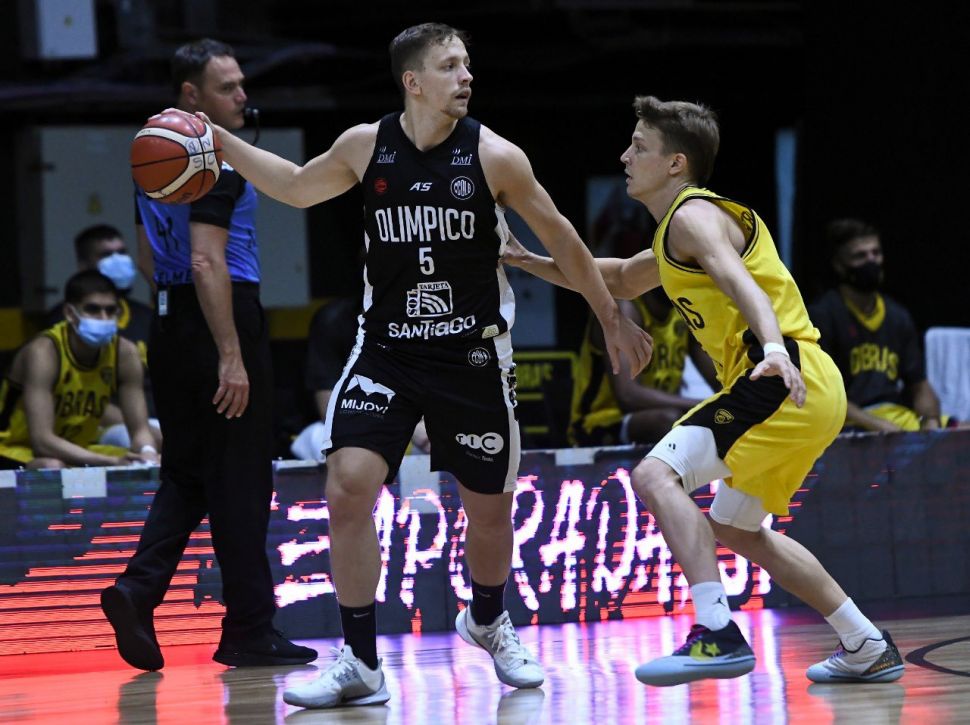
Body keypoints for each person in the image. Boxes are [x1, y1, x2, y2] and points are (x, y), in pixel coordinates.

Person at [203, 22, 651, 709]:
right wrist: (217, 138)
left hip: (471, 355)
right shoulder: (366, 145)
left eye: (467, 65)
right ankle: (360, 661)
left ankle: (489, 617)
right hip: (387, 349)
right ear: (413, 81)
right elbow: (293, 186)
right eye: (450, 66)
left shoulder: (496, 156)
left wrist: (609, 314)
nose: (466, 77)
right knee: (348, 485)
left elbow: (562, 236)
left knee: (489, 510)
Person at [503, 96, 904, 687]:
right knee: (738, 528)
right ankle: (865, 643)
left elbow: (741, 283)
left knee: (654, 476)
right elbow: (616, 278)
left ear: (676, 163)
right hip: (810, 387)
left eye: (639, 146)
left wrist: (772, 349)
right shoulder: (677, 232)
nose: (624, 156)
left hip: (779, 372)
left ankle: (716, 633)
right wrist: (522, 259)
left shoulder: (694, 217)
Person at [100, 38, 316, 672]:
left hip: (170, 320)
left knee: (188, 474)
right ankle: (249, 629)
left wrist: (186, 323)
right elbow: (205, 260)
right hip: (223, 315)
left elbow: (150, 258)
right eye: (228, 87)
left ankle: (138, 589)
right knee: (242, 480)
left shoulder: (149, 152)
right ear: (191, 94)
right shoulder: (214, 158)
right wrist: (230, 353)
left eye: (243, 83)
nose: (243, 95)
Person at [0, 271, 158, 469]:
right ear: (69, 313)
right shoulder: (44, 352)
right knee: (52, 467)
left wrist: (147, 453)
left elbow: (140, 430)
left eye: (110, 310)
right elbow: (41, 441)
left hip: (77, 448)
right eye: (93, 309)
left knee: (155, 453)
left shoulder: (124, 352)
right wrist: (112, 462)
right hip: (15, 448)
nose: (103, 318)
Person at [809, 218, 945, 432]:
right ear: (839, 265)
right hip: (847, 422)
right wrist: (876, 426)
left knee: (959, 430)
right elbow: (820, 394)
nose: (871, 261)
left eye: (876, 253)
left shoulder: (898, 315)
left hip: (895, 418)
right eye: (860, 256)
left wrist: (930, 420)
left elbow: (919, 385)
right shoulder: (823, 314)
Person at [46, 224, 161, 449]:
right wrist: (146, 429)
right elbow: (79, 393)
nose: (117, 260)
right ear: (83, 264)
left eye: (122, 252)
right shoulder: (65, 322)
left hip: (153, 418)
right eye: (106, 255)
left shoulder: (147, 317)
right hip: (103, 423)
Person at [570, 287, 717, 446]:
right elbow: (628, 396)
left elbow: (719, 376)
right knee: (669, 420)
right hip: (601, 423)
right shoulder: (623, 310)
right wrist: (703, 405)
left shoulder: (683, 311)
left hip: (668, 412)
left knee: (719, 417)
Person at [290, 294, 429, 460]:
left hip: (419, 430)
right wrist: (410, 428)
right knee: (319, 438)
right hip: (359, 425)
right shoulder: (334, 321)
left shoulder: (428, 323)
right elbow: (329, 412)